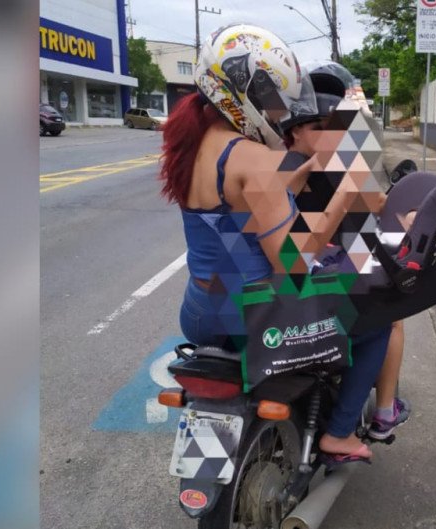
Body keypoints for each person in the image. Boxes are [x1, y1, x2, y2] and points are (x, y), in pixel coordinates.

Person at [159, 24, 390, 464]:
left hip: (200, 313)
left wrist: (310, 165)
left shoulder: (194, 150)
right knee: (377, 322)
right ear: (246, 91)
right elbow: (293, 263)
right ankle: (339, 432)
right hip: (254, 316)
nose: (280, 115)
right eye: (274, 101)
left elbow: (246, 203)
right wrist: (345, 193)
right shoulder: (254, 158)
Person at [282, 60, 412, 442]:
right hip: (316, 264)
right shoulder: (346, 156)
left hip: (300, 263)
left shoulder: (274, 156)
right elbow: (377, 205)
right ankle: (384, 411)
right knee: (391, 320)